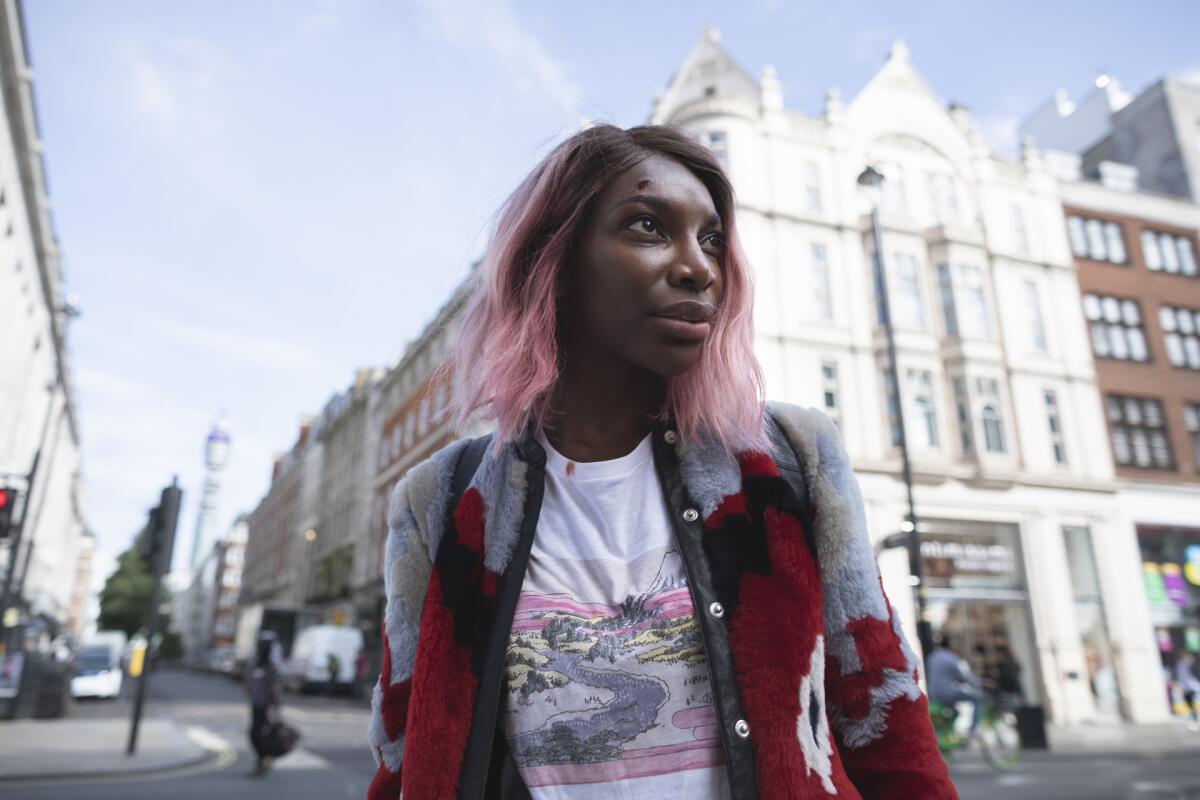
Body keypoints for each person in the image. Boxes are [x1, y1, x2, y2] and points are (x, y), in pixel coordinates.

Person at [367, 124, 956, 799]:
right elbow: (405, 755)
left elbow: (889, 729)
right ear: (551, 265)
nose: (698, 267)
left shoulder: (790, 462)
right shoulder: (442, 502)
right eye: (649, 227)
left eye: (711, 239)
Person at [928, 637, 983, 737]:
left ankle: (948, 734)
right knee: (977, 699)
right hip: (947, 693)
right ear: (951, 645)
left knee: (955, 712)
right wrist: (978, 683)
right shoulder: (951, 658)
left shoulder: (933, 657)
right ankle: (973, 730)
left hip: (933, 693)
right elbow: (962, 677)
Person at [248, 632, 282, 776]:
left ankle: (263, 761)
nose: (264, 647)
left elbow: (275, 687)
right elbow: (249, 681)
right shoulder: (256, 663)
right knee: (254, 734)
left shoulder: (271, 666)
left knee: (263, 735)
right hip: (256, 704)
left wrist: (274, 706)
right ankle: (263, 759)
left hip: (267, 706)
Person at [1175, 652, 1200, 730]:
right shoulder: (1183, 665)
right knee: (1190, 704)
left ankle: (1195, 720)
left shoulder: (1185, 665)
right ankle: (1194, 719)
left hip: (1191, 688)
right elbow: (1183, 677)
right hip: (1189, 688)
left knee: (1192, 703)